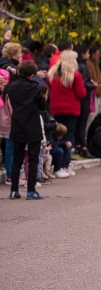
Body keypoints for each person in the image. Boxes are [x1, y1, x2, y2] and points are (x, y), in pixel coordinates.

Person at [7, 61, 46, 200]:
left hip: (17, 125)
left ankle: (14, 190)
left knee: (17, 159)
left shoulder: (12, 87)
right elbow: (42, 106)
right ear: (31, 75)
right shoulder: (35, 88)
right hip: (33, 127)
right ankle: (30, 191)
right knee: (33, 159)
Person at [48, 50, 87, 148]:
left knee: (57, 133)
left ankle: (58, 156)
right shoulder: (76, 75)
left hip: (56, 107)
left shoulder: (52, 74)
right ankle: (66, 158)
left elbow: (50, 88)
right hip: (71, 109)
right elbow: (81, 93)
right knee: (69, 135)